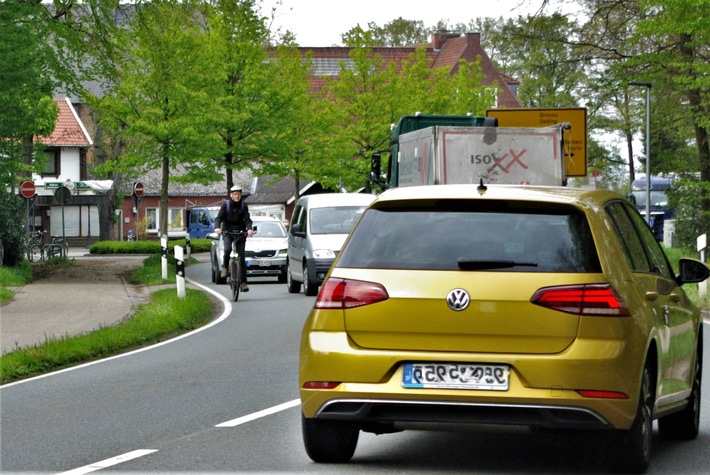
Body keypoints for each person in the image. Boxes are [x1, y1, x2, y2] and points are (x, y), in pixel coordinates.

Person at [214, 186, 254, 291]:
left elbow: (247, 219)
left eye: (238, 194)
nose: (237, 196)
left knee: (241, 257)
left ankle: (243, 283)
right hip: (228, 232)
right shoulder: (225, 205)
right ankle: (225, 267)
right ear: (231, 195)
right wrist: (217, 227)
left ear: (240, 196)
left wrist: (249, 229)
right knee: (227, 249)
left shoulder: (243, 206)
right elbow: (219, 217)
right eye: (235, 194)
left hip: (240, 233)